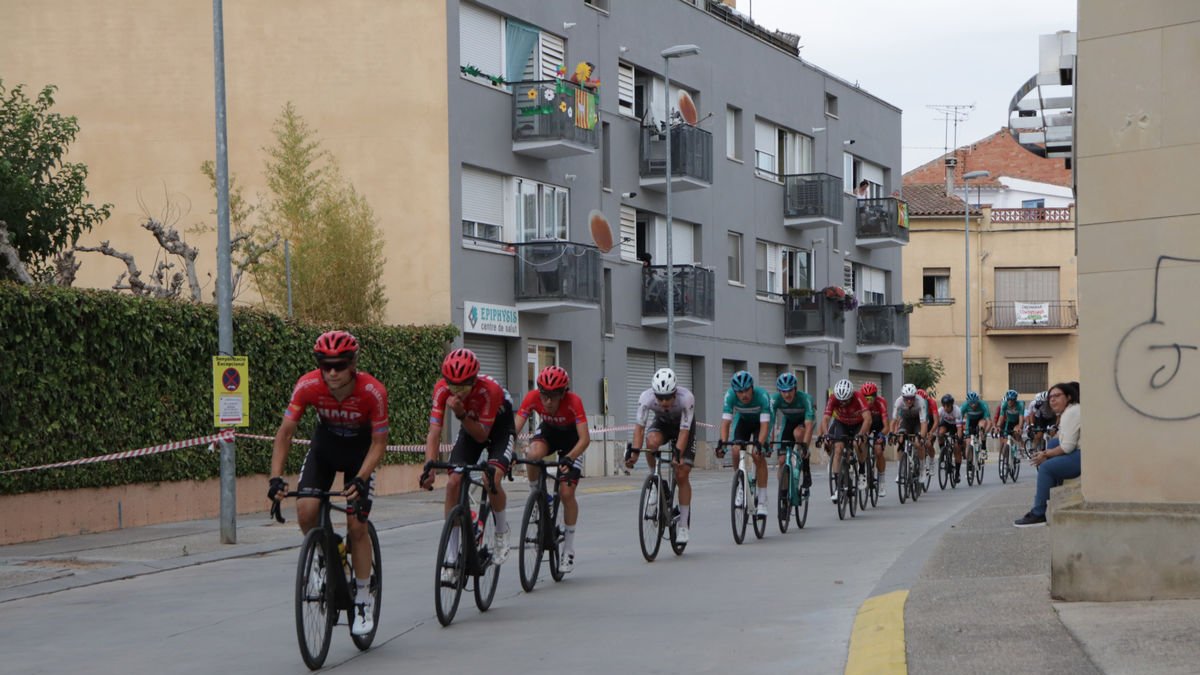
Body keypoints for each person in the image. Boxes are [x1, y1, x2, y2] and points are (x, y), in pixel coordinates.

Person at [269, 330, 388, 637]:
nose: (332, 372)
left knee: (356, 525)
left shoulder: (372, 391)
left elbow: (378, 444)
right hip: (325, 448)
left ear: (353, 364)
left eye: (339, 365)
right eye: (326, 365)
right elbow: (285, 433)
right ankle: (329, 551)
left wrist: (361, 479)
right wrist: (276, 477)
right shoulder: (308, 385)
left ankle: (362, 597)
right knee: (306, 511)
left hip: (360, 454)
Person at [419, 348, 515, 580]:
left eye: (463, 387)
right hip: (471, 427)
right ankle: (451, 557)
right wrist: (429, 467)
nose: (457, 392)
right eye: (452, 385)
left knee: (490, 478)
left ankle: (501, 533)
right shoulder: (442, 389)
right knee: (453, 482)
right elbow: (434, 432)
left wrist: (461, 415)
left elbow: (483, 436)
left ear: (474, 379)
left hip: (499, 430)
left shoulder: (490, 390)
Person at [513, 366, 590, 573]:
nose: (547, 402)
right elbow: (514, 429)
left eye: (553, 397)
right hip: (549, 433)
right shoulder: (532, 398)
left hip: (572, 442)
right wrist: (507, 452)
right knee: (532, 455)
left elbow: (585, 439)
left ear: (563, 393)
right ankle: (538, 497)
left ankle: (568, 549)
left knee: (566, 493)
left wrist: (570, 457)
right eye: (544, 396)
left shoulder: (574, 402)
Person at [625, 368, 697, 543]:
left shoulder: (686, 398)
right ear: (654, 394)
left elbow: (684, 432)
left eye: (668, 397)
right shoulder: (646, 398)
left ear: (675, 393)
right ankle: (656, 482)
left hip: (683, 428)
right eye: (660, 398)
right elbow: (639, 428)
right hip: (663, 424)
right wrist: (634, 453)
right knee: (651, 442)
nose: (664, 402)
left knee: (681, 473)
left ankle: (683, 526)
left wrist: (678, 454)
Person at [1014, 382, 1081, 527]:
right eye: (1050, 397)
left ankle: (1038, 513)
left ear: (1068, 397)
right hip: (1080, 451)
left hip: (1083, 456)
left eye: (1057, 396)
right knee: (1051, 444)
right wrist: (1047, 451)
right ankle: (1053, 495)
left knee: (1046, 468)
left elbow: (1067, 447)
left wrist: (1045, 454)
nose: (1052, 400)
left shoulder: (1072, 412)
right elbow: (1061, 439)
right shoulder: (1069, 411)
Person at [717, 371, 773, 517]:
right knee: (735, 449)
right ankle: (740, 483)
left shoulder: (762, 396)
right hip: (743, 421)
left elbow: (765, 425)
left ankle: (762, 500)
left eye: (746, 390)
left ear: (752, 387)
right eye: (740, 392)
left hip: (761, 423)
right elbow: (726, 422)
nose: (743, 395)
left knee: (757, 454)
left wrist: (760, 444)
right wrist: (722, 444)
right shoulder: (730, 396)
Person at [816, 379, 874, 503]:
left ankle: (862, 471)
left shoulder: (858, 397)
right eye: (840, 401)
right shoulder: (833, 398)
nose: (843, 403)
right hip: (842, 423)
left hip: (858, 423)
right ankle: (838, 486)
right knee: (838, 449)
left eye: (846, 400)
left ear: (851, 395)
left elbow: (868, 419)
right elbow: (825, 419)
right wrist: (826, 435)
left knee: (857, 443)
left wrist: (860, 434)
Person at [769, 372, 815, 491]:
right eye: (783, 391)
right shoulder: (775, 399)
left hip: (804, 422)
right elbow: (770, 422)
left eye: (790, 390)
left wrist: (805, 446)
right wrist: (769, 441)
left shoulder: (806, 398)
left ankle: (805, 468)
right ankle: (783, 493)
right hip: (788, 422)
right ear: (779, 391)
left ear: (795, 389)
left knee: (798, 433)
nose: (787, 394)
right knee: (782, 460)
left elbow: (809, 425)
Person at [889, 383, 929, 484]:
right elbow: (893, 420)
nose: (909, 401)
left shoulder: (920, 402)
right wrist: (891, 433)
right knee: (901, 440)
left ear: (915, 396)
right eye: (906, 398)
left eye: (911, 398)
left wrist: (922, 437)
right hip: (906, 420)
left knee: (918, 443)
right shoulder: (898, 401)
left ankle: (922, 469)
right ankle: (900, 472)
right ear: (903, 397)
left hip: (917, 421)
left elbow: (923, 423)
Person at [860, 382, 889, 497]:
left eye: (871, 398)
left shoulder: (881, 402)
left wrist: (882, 435)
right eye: (866, 398)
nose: (868, 401)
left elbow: (886, 425)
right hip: (866, 425)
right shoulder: (860, 404)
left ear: (875, 396)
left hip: (878, 425)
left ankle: (881, 480)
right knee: (860, 443)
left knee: (878, 450)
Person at [934, 393, 965, 481]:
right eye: (944, 405)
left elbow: (959, 428)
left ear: (952, 405)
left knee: (956, 447)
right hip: (946, 424)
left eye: (947, 406)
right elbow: (936, 424)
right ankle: (943, 452)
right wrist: (935, 433)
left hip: (955, 426)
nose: (946, 408)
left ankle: (957, 473)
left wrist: (958, 439)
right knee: (940, 434)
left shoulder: (957, 411)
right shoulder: (941, 411)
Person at [960, 391, 992, 469]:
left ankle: (983, 448)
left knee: (981, 427)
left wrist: (985, 432)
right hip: (970, 422)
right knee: (968, 444)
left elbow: (989, 422)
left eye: (975, 403)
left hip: (981, 420)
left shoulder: (983, 405)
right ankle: (970, 464)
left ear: (978, 401)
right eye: (971, 403)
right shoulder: (964, 406)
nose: (973, 405)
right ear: (968, 402)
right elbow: (958, 420)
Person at [993, 390, 1025, 466]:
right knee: (1005, 439)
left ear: (1015, 400)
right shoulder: (1004, 405)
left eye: (1012, 400)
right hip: (1009, 422)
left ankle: (1018, 450)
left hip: (1017, 422)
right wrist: (997, 427)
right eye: (1008, 400)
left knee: (1016, 432)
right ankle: (1006, 459)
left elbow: (1021, 418)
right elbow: (1001, 417)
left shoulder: (1020, 405)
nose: (1010, 402)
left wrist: (1019, 427)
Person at [917, 388, 940, 476]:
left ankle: (931, 463)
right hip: (921, 421)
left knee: (928, 443)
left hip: (931, 423)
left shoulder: (932, 403)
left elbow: (936, 421)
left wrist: (931, 432)